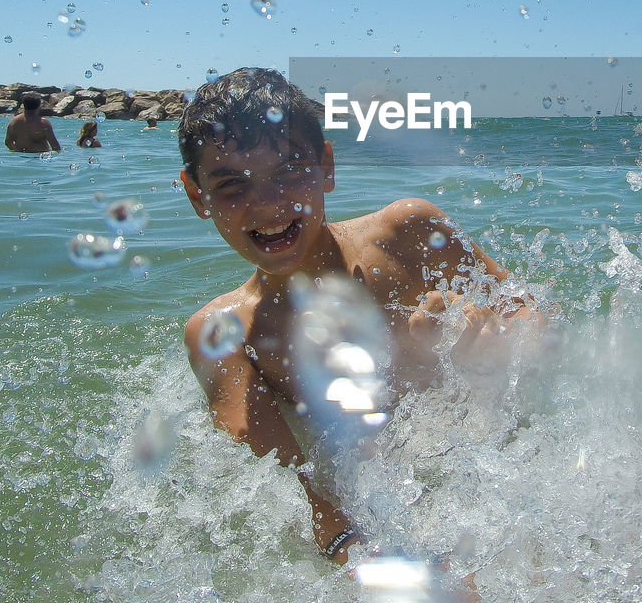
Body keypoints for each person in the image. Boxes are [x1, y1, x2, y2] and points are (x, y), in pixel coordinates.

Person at [178, 68, 524, 565]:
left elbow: (534, 316)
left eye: (289, 172)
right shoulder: (225, 335)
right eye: (232, 185)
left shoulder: (408, 232)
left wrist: (497, 336)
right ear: (197, 196)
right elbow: (307, 499)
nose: (268, 205)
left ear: (326, 167)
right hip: (393, 494)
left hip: (494, 461)